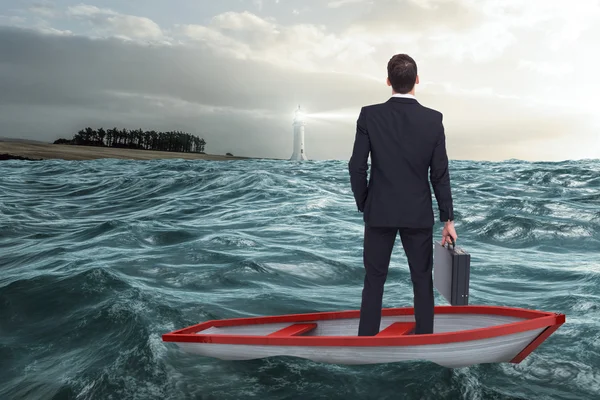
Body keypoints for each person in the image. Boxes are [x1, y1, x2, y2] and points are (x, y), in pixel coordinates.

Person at [348, 54, 457, 336]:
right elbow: (440, 174)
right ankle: (425, 337)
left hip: (379, 211)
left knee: (374, 279)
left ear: (388, 82)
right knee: (422, 280)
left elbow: (357, 166)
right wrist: (448, 219)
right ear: (417, 81)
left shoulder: (369, 115)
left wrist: (365, 203)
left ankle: (366, 340)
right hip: (417, 213)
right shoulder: (434, 120)